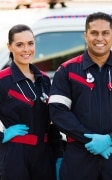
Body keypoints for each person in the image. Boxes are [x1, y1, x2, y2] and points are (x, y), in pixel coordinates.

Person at [48, 12, 112, 180]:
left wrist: (111, 139)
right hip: (79, 156)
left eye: (105, 33)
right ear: (85, 35)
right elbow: (58, 112)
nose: (99, 38)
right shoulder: (67, 70)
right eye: (94, 33)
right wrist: (88, 139)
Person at [0, 24, 64, 180]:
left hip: (44, 155)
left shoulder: (44, 80)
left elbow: (52, 122)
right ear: (9, 47)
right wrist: (2, 136)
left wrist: (58, 155)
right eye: (19, 45)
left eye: (30, 43)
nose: (26, 49)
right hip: (16, 156)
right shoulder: (2, 80)